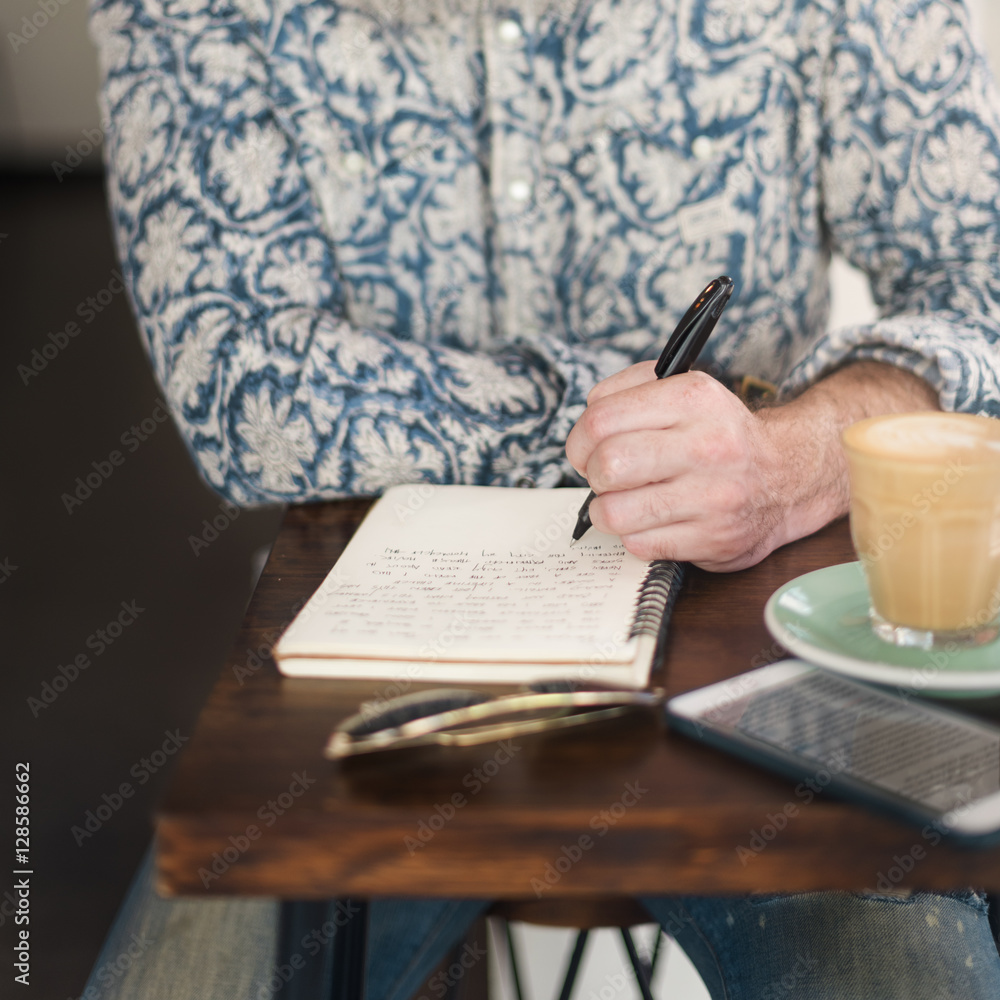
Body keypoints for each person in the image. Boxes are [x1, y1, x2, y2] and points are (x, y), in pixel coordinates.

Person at [85, 0, 1000, 996]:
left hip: (774, 650)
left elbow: (979, 279)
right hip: (372, 668)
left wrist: (792, 460)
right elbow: (238, 388)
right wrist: (641, 420)